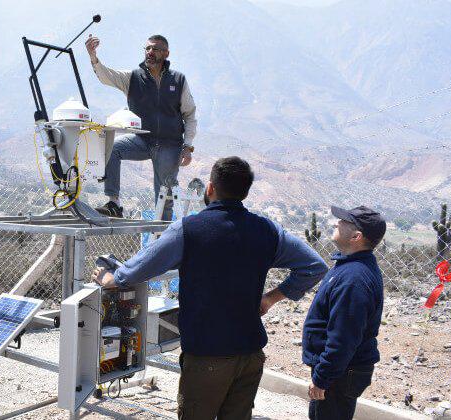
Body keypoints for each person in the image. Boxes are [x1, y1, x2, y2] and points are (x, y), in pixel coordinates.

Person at [91, 156, 329, 420]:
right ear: (245, 192)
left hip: (208, 357)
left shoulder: (189, 229)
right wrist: (270, 299)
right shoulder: (267, 231)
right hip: (249, 355)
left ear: (211, 188)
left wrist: (113, 278)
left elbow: (142, 266)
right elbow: (314, 266)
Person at [85, 33, 197, 220]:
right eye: (147, 48)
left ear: (166, 53)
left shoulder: (178, 80)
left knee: (164, 196)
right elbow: (106, 76)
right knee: (112, 147)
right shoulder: (133, 78)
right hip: (142, 140)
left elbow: (190, 115)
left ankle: (163, 238)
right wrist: (93, 56)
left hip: (170, 145)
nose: (150, 52)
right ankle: (114, 203)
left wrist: (188, 146)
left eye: (155, 49)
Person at [302, 206, 385, 420]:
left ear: (356, 236)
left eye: (343, 222)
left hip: (341, 373)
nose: (336, 223)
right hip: (341, 370)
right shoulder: (350, 267)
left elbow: (343, 338)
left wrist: (323, 377)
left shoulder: (353, 279)